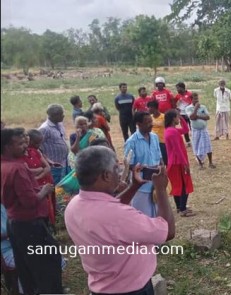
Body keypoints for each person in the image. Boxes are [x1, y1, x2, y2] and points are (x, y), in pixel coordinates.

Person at [64, 146, 175, 295]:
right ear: (106, 175)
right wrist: (161, 189)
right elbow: (168, 231)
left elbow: (111, 211)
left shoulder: (74, 205)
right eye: (117, 169)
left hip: (102, 286)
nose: (121, 173)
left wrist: (133, 186)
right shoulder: (119, 216)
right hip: (132, 289)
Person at [1, 128, 63, 293]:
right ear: (7, 146)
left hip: (14, 222)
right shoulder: (17, 168)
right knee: (48, 263)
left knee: (26, 266)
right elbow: (29, 202)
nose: (24, 146)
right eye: (20, 143)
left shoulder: (4, 165)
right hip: (30, 225)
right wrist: (44, 190)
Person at [56, 115, 106, 207]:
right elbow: (75, 150)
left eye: (84, 124)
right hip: (79, 162)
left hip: (90, 162)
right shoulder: (73, 136)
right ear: (76, 126)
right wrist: (78, 137)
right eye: (80, 124)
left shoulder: (93, 135)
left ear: (87, 125)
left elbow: (93, 149)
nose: (82, 126)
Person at [124, 111, 164, 217]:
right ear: (138, 124)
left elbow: (159, 157)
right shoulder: (131, 142)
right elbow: (128, 165)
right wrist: (142, 168)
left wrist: (163, 172)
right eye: (147, 122)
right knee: (143, 217)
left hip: (156, 185)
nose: (151, 124)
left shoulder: (154, 137)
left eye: (151, 121)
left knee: (157, 216)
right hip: (141, 187)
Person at [164, 110, 196, 217]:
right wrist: (185, 164)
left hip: (173, 162)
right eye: (177, 117)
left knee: (177, 185)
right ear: (173, 118)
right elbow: (178, 150)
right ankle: (182, 209)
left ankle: (179, 207)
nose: (179, 119)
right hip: (177, 162)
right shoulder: (172, 132)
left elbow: (186, 129)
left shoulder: (171, 130)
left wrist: (181, 118)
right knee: (183, 185)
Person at [23, 129, 57, 225]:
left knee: (50, 207)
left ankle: (51, 227)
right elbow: (27, 172)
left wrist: (37, 176)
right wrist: (40, 170)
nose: (25, 140)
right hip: (36, 187)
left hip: (45, 182)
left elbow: (47, 167)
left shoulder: (34, 151)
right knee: (40, 210)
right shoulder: (18, 157)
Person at [38, 104, 70, 184]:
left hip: (63, 162)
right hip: (53, 165)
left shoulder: (59, 124)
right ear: (54, 115)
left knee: (62, 186)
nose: (63, 116)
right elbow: (36, 146)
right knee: (54, 186)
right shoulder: (45, 128)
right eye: (61, 114)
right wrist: (47, 160)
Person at [186, 93, 216, 169]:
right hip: (195, 130)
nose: (196, 100)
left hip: (204, 129)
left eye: (197, 99)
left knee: (208, 146)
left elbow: (207, 117)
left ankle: (210, 162)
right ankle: (200, 164)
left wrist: (198, 116)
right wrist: (195, 109)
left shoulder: (203, 107)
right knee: (196, 146)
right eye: (195, 99)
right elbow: (192, 117)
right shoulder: (188, 108)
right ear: (191, 99)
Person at [147, 100, 168, 165]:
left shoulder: (164, 117)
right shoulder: (149, 117)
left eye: (149, 107)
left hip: (162, 141)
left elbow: (168, 128)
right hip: (152, 141)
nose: (148, 109)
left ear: (154, 108)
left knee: (165, 159)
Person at [175, 82, 193, 146]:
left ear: (182, 88)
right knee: (184, 128)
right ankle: (188, 141)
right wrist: (177, 108)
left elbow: (193, 102)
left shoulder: (190, 94)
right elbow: (174, 102)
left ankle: (195, 139)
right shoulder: (178, 96)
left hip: (190, 113)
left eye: (178, 88)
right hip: (182, 115)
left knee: (192, 127)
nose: (177, 90)